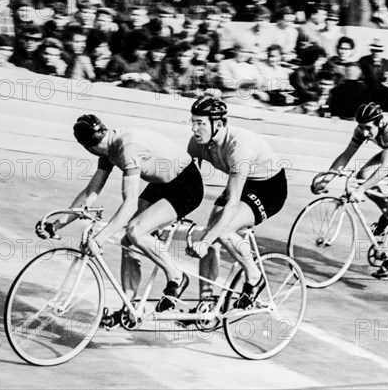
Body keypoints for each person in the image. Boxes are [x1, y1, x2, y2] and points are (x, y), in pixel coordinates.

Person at [35, 114, 204, 327]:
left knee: (135, 230)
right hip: (164, 182)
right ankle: (129, 308)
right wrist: (57, 224)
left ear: (88, 147)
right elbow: (90, 193)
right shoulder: (108, 147)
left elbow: (130, 204)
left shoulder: (126, 149)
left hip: (186, 185)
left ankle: (177, 277)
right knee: (128, 241)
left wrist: (100, 238)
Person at [186, 96, 288, 308]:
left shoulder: (239, 148)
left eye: (201, 123)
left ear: (219, 124)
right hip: (242, 183)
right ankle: (206, 302)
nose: (195, 129)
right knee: (209, 231)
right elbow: (186, 185)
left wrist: (204, 242)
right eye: (193, 122)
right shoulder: (197, 143)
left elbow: (232, 206)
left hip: (269, 189)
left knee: (221, 231)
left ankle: (254, 277)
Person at [312, 103, 388, 279]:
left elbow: (384, 168)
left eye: (369, 129)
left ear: (379, 123)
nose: (365, 133)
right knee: (363, 175)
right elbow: (347, 154)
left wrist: (361, 190)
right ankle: (387, 214)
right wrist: (326, 179)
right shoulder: (363, 128)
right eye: (361, 128)